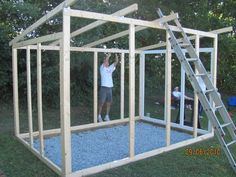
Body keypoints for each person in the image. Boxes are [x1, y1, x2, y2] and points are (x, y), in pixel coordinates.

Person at [97, 53, 119, 122]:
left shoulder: (110, 68)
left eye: (108, 61)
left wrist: (116, 56)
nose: (107, 62)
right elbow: (105, 61)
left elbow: (116, 62)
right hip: (104, 88)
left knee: (109, 102)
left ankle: (107, 116)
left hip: (110, 88)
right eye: (106, 61)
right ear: (104, 62)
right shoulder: (102, 68)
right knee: (101, 102)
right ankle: (99, 116)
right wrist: (108, 56)